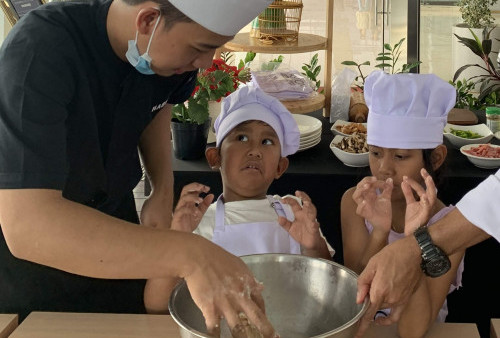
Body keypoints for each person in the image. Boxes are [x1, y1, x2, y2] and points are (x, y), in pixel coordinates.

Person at [0, 0, 280, 335]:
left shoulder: (166, 59)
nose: (205, 63)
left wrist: (161, 187)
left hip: (118, 230)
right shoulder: (39, 51)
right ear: (147, 20)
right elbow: (28, 226)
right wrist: (190, 253)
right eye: (200, 48)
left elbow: (156, 107)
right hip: (41, 265)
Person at [144, 85, 334, 314]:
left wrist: (313, 246)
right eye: (241, 137)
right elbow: (156, 305)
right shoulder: (199, 222)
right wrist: (177, 238)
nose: (255, 150)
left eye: (267, 142)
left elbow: (328, 287)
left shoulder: (293, 212)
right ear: (215, 157)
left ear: (280, 167)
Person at [341, 71, 465, 338]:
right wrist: (379, 233)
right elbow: (354, 301)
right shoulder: (355, 203)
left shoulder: (450, 226)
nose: (384, 168)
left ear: (437, 157)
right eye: (375, 153)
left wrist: (415, 239)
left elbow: (413, 330)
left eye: (400, 156)